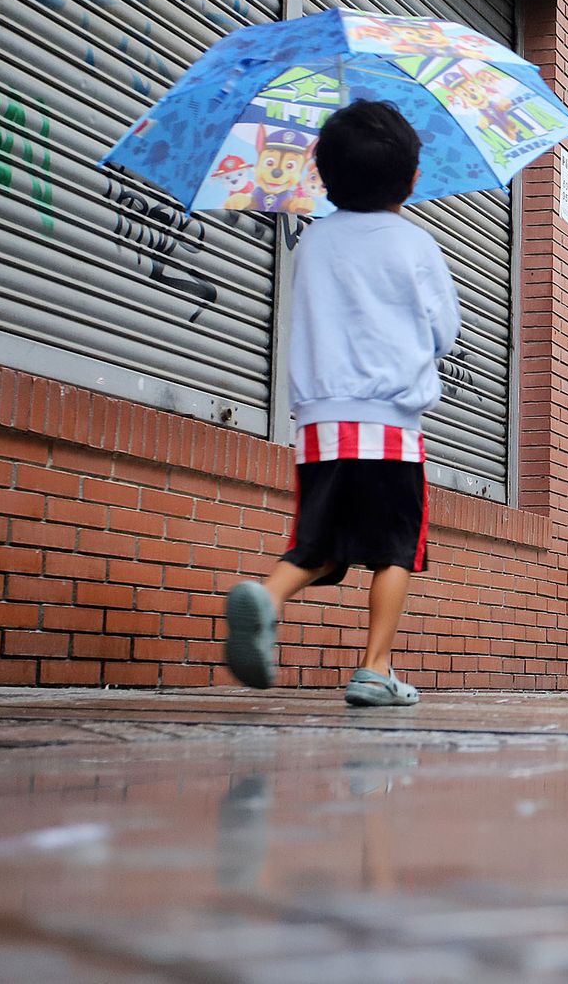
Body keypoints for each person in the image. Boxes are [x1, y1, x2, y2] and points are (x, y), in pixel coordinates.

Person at [223, 100, 461, 707]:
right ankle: (375, 668)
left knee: (320, 542)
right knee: (395, 549)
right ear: (411, 178)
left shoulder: (316, 242)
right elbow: (444, 333)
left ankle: (269, 598)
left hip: (320, 427)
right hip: (391, 430)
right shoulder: (416, 246)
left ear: (323, 178)